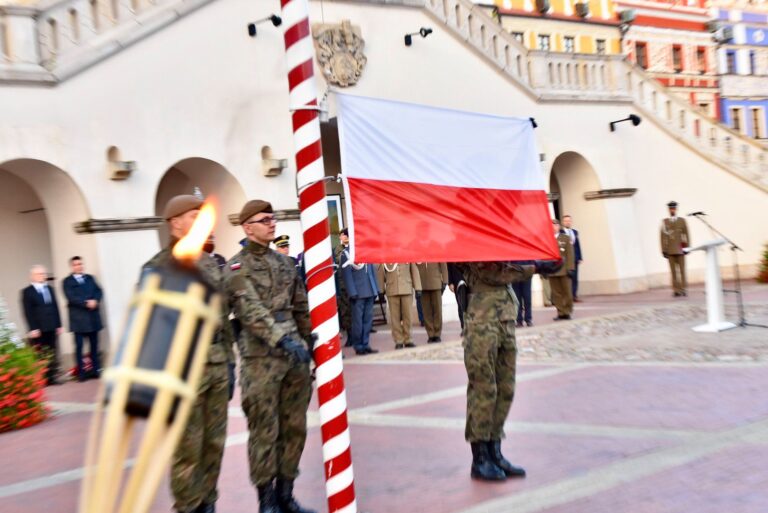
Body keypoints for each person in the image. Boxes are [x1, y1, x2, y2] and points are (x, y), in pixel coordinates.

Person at [143, 195, 235, 513]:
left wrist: (231, 364)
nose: (200, 221)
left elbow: (223, 319)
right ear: (175, 223)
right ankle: (188, 506)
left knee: (214, 443)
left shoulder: (210, 263)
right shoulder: (157, 267)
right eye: (194, 215)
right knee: (186, 449)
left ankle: (208, 503)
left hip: (216, 366)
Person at [225, 199, 316, 513]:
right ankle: (266, 501)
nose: (272, 223)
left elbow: (300, 306)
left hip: (294, 359)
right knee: (265, 430)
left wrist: (309, 343)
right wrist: (283, 340)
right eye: (264, 220)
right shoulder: (236, 267)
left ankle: (286, 495)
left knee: (295, 427)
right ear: (248, 227)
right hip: (260, 359)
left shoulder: (285, 263)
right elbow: (250, 311)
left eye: (273, 218)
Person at [457, 259, 561, 481]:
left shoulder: (500, 240)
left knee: (506, 388)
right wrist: (536, 267)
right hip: (482, 322)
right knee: (484, 389)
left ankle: (495, 451)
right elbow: (494, 273)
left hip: (504, 317)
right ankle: (480, 458)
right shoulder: (470, 242)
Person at [62, 256, 103, 382]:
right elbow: (71, 298)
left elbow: (99, 291)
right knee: (79, 347)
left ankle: (95, 370)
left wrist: (95, 300)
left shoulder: (90, 278)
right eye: (76, 264)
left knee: (94, 346)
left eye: (80, 264)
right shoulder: (67, 281)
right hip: (78, 320)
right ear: (72, 267)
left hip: (92, 318)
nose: (79, 266)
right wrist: (86, 303)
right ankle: (81, 373)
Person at [21, 265, 63, 386]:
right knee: (40, 354)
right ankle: (42, 379)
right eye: (40, 274)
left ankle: (52, 378)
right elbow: (27, 312)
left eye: (44, 273)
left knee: (52, 352)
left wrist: (59, 325)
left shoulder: (50, 289)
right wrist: (33, 328)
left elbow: (55, 307)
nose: (43, 276)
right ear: (32, 276)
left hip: (51, 326)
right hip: (38, 328)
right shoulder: (27, 292)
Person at [340, 245, 380, 356]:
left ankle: (366, 344)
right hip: (358, 292)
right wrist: (352, 292)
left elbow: (372, 271)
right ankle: (358, 345)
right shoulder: (346, 253)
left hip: (369, 290)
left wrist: (375, 288)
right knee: (358, 322)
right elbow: (346, 274)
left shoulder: (366, 249)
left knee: (368, 320)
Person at [377, 263, 422, 349]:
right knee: (395, 318)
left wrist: (418, 287)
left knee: (408, 316)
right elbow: (381, 272)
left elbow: (414, 270)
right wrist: (381, 289)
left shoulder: (407, 254)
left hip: (406, 288)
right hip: (392, 289)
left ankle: (408, 339)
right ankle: (398, 340)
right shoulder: (386, 256)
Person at [660, 201, 690, 297]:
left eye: (673, 208)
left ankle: (683, 288)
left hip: (680, 249)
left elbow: (686, 234)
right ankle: (676, 290)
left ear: (676, 209)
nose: (672, 210)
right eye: (670, 208)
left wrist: (688, 247)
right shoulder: (665, 222)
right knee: (673, 271)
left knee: (682, 270)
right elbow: (662, 237)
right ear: (668, 210)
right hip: (670, 250)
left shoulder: (682, 221)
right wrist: (663, 250)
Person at [549, 219, 575, 320]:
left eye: (555, 225)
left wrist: (571, 268)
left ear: (559, 227)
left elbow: (570, 254)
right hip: (553, 270)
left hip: (564, 269)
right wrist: (544, 269)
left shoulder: (565, 238)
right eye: (551, 226)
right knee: (556, 294)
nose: (553, 227)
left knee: (567, 292)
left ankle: (567, 311)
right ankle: (560, 312)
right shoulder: (548, 239)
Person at [416, 262, 448, 342]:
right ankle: (430, 334)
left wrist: (445, 280)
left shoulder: (435, 249)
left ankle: (437, 333)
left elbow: (443, 264)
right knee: (426, 311)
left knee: (437, 310)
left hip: (436, 282)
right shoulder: (418, 251)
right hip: (422, 283)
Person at [334, 228, 352, 346]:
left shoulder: (354, 248)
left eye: (344, 235)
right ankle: (350, 335)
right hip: (343, 284)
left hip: (354, 282)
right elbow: (338, 263)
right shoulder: (338, 249)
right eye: (341, 235)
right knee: (345, 311)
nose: (342, 237)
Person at [561, 215, 583, 302]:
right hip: (566, 259)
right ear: (563, 222)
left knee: (575, 277)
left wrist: (580, 257)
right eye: (566, 221)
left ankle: (574, 295)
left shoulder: (575, 232)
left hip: (575, 258)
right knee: (567, 278)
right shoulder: (561, 232)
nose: (567, 222)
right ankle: (567, 296)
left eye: (569, 221)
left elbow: (577, 245)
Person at [511, 261, 533, 327]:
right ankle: (519, 320)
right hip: (514, 270)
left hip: (527, 270)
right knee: (517, 298)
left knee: (527, 297)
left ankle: (528, 319)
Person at [447, 263, 467, 330]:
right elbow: (449, 267)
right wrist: (450, 282)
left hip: (469, 281)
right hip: (457, 281)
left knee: (469, 305)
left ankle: (469, 326)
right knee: (460, 305)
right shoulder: (451, 253)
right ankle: (463, 326)